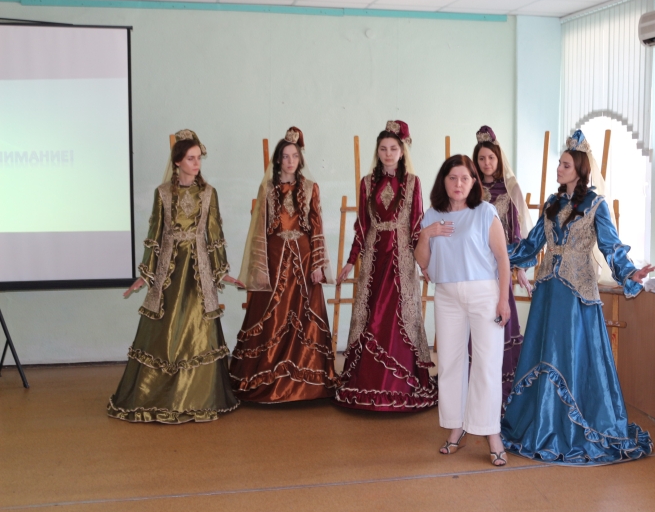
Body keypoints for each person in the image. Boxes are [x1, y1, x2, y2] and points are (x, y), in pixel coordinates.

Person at [501, 130, 655, 464]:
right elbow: (531, 246)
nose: (559, 168)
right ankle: (543, 424)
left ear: (580, 169)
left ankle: (573, 428)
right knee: (545, 353)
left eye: (565, 165)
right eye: (559, 163)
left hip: (576, 295)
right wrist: (496, 251)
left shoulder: (596, 205)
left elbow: (611, 246)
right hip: (547, 292)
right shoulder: (551, 204)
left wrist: (630, 272)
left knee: (573, 357)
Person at [108, 129, 242, 423]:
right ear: (178, 162)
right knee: (163, 331)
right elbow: (155, 234)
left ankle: (197, 397)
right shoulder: (163, 193)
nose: (196, 164)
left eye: (198, 158)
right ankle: (158, 397)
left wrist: (222, 271)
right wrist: (145, 274)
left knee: (197, 330)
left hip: (198, 272)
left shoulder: (209, 193)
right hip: (168, 272)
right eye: (191, 158)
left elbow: (214, 235)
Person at [334, 120, 437, 412]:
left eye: (393, 148)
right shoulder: (367, 183)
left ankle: (401, 383)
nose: (388, 153)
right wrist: (351, 260)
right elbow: (362, 225)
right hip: (374, 258)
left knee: (398, 314)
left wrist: (425, 263)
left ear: (402, 152)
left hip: (401, 259)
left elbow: (416, 226)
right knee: (372, 314)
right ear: (377, 152)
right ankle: (368, 380)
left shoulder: (413, 183)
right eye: (383, 149)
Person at [415, 155, 511, 467]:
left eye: (465, 178)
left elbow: (502, 258)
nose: (458, 184)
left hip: (484, 293)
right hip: (447, 295)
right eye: (453, 178)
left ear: (473, 183)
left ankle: (491, 432)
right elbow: (423, 261)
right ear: (443, 181)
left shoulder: (485, 212)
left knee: (487, 363)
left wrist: (503, 300)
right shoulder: (432, 215)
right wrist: (427, 234)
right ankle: (456, 427)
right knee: (450, 362)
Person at [230, 127, 337, 403]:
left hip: (304, 259)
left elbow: (316, 227)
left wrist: (318, 264)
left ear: (300, 159)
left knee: (304, 316)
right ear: (278, 159)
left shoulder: (311, 187)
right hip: (275, 259)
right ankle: (265, 375)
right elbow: (259, 229)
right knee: (270, 315)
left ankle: (306, 380)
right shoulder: (267, 188)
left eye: (295, 156)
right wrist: (259, 266)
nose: (290, 161)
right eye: (286, 156)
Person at [471, 125, 531, 402]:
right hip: (474, 266)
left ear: (498, 158)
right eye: (481, 158)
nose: (486, 163)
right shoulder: (470, 188)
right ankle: (476, 385)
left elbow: (516, 232)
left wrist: (519, 267)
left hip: (500, 265)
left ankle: (501, 385)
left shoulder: (510, 188)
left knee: (499, 315)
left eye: (491, 158)